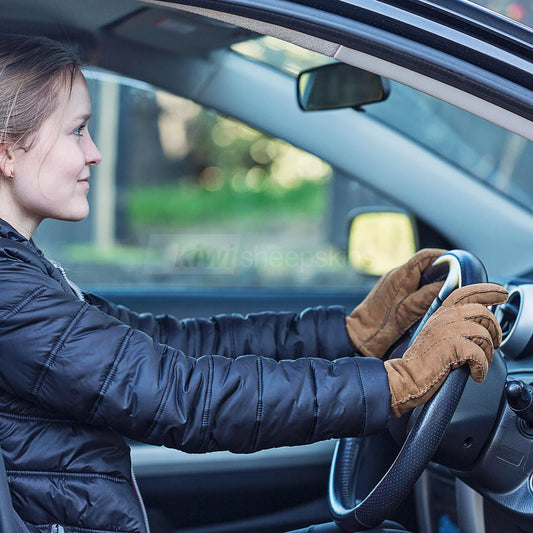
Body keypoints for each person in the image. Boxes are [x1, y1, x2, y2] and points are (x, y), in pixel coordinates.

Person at [0, 34, 507, 533]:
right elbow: (187, 398)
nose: (95, 153)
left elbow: (173, 346)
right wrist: (397, 382)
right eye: (77, 130)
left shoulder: (23, 274)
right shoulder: (10, 292)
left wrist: (350, 334)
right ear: (7, 153)